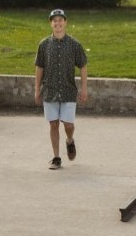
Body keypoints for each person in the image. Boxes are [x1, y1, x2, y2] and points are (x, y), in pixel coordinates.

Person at [34, 8, 88, 170]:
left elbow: (83, 66)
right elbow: (39, 68)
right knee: (53, 124)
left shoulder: (74, 45)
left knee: (68, 124)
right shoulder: (44, 45)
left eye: (60, 20)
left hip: (68, 90)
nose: (57, 23)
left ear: (65, 22)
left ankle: (70, 140)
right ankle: (56, 157)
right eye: (54, 20)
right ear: (51, 23)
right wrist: (37, 89)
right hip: (49, 90)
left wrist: (84, 89)